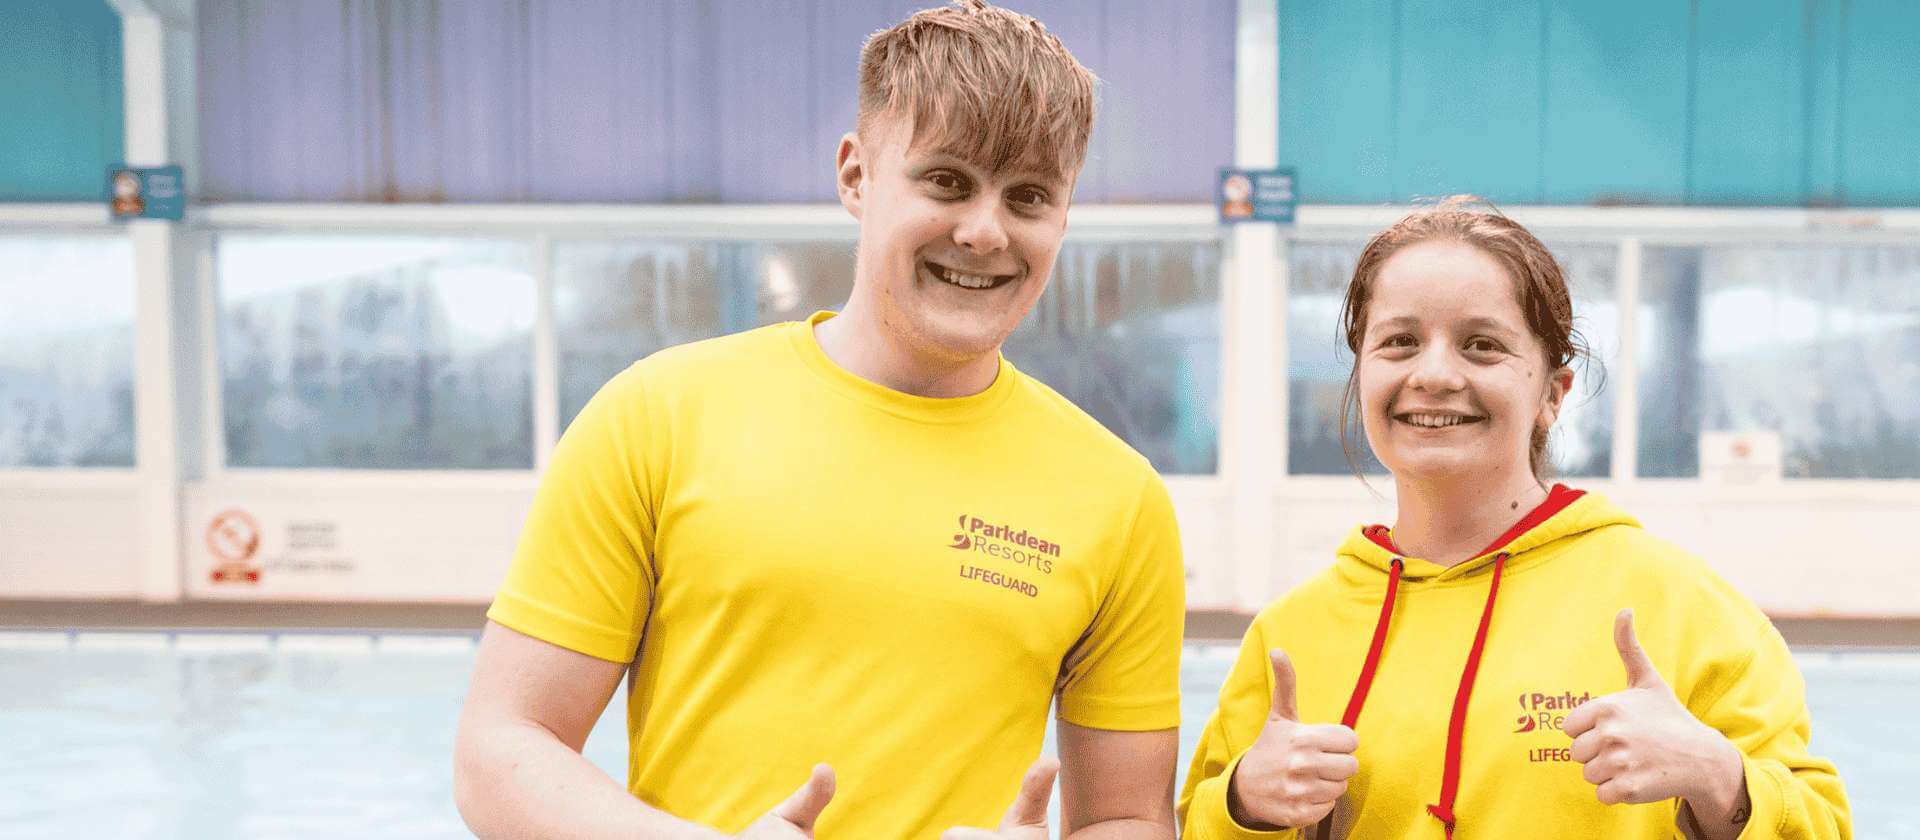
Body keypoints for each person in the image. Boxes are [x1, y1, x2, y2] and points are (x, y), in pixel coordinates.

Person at [454, 2, 1185, 838]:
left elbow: (1126, 817)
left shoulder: (1117, 498)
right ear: (855, 176)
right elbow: (499, 748)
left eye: (1028, 197)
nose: (985, 231)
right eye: (947, 180)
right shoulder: (660, 416)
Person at [1178, 197, 1849, 839]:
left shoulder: (1679, 609)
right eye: (1400, 342)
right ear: (1362, 375)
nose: (1434, 373)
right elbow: (1197, 825)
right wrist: (1245, 805)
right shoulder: (1291, 634)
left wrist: (1718, 779)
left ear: (1552, 393)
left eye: (1481, 346)